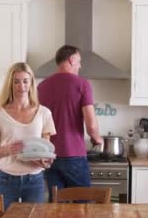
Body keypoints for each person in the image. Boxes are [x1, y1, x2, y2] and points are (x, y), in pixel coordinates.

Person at [0, 62, 56, 210]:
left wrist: (45, 162)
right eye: (16, 81)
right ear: (10, 84)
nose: (21, 86)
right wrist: (7, 150)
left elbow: (46, 152)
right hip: (6, 178)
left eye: (25, 81)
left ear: (31, 83)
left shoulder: (44, 113)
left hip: (34, 179)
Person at [38, 45, 103, 200]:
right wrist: (96, 138)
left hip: (50, 154)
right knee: (84, 205)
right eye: (79, 61)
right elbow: (91, 125)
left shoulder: (42, 86)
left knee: (56, 206)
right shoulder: (83, 84)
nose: (80, 66)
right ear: (71, 60)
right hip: (73, 154)